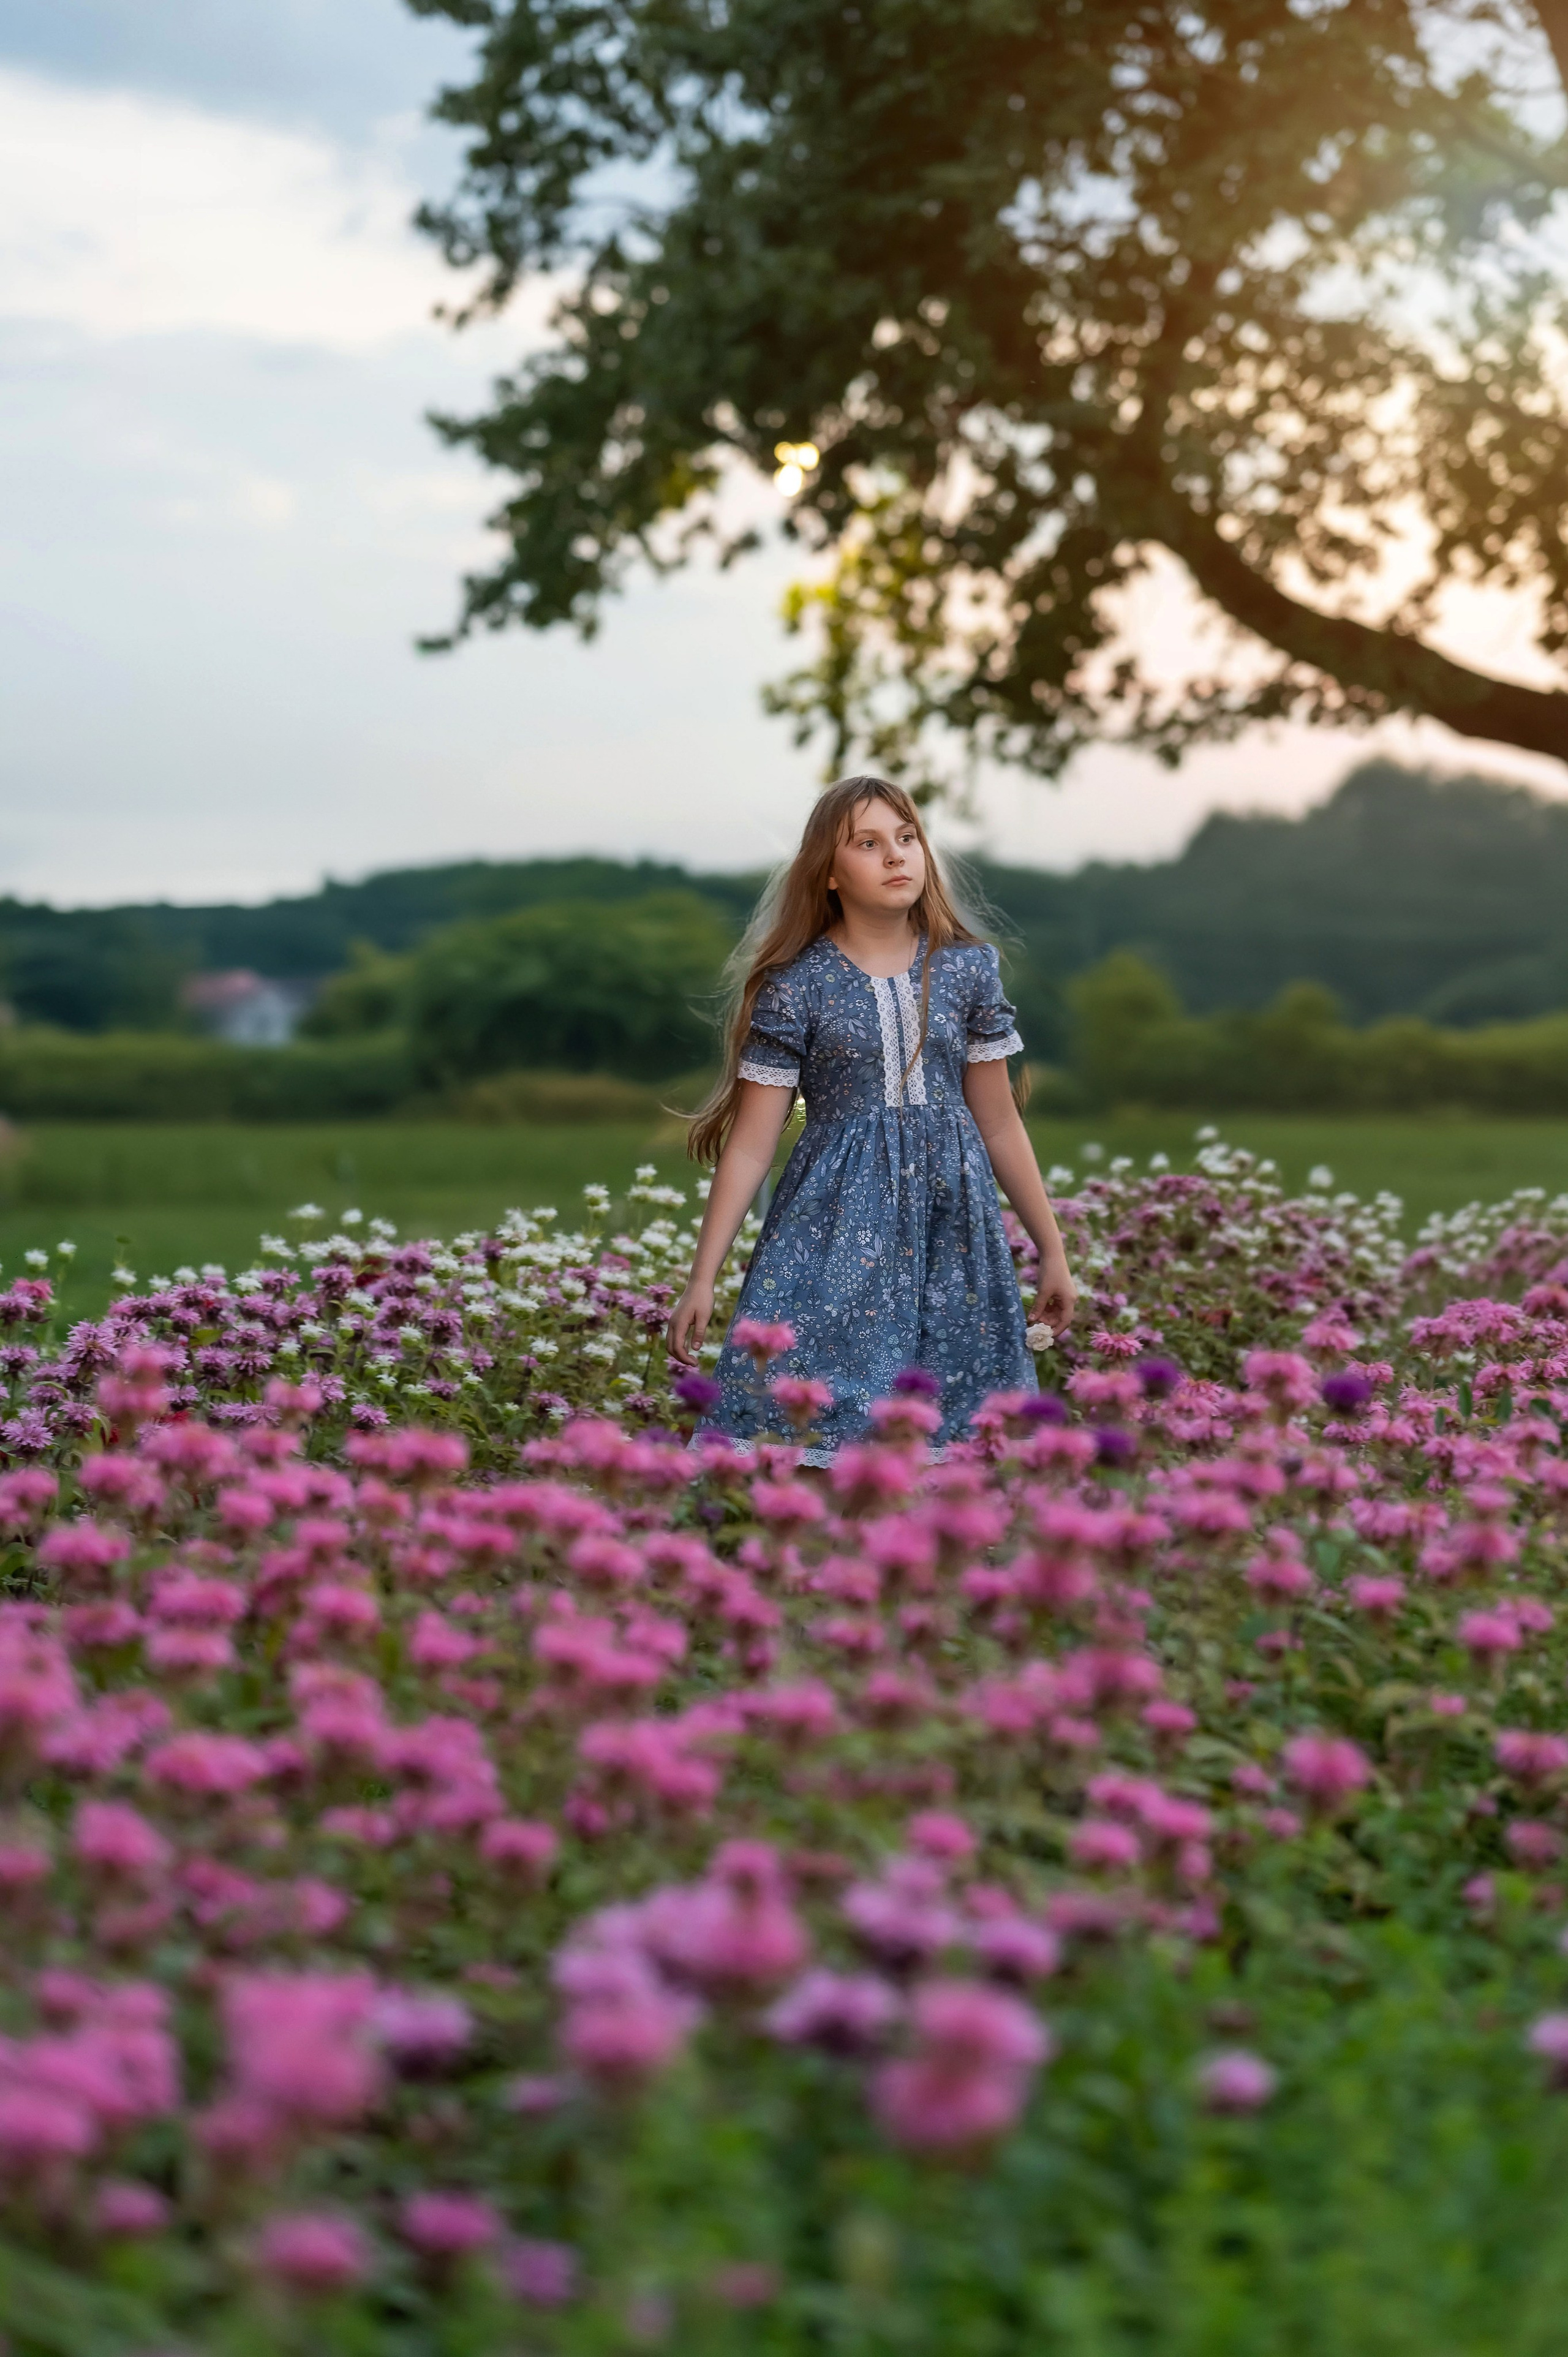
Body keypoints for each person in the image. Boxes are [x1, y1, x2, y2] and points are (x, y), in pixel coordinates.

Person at [666, 775, 1076, 1461]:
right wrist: (702, 1276)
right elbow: (749, 1148)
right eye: (868, 843)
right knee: (815, 1423)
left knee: (955, 1433)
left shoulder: (967, 970)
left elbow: (1000, 1124)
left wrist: (1052, 1248)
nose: (896, 856)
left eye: (907, 838)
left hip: (955, 1236)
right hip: (833, 1233)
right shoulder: (796, 986)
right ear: (829, 873)